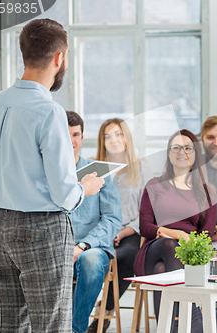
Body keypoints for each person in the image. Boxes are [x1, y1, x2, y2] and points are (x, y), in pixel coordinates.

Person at [0, 19, 104, 333]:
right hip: (44, 228)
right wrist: (85, 187)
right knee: (51, 325)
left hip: (1, 225)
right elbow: (64, 192)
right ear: (60, 58)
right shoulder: (49, 112)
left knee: (8, 324)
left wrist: (10, 187)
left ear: (24, 52)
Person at [134, 129, 217, 332]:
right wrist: (176, 234)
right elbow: (144, 227)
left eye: (188, 148)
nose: (182, 152)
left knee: (161, 271)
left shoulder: (208, 191)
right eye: (176, 148)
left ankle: (169, 328)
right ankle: (195, 323)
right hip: (154, 248)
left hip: (190, 254)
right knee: (170, 245)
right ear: (169, 153)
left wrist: (181, 238)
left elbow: (206, 236)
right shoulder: (154, 185)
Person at [86, 118, 153, 332]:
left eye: (118, 134)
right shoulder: (94, 168)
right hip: (101, 229)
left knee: (126, 257)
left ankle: (103, 313)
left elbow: (149, 208)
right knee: (90, 261)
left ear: (126, 138)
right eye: (108, 136)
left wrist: (125, 231)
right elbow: (87, 208)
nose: (114, 140)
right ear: (102, 141)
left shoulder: (142, 167)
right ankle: (81, 312)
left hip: (132, 230)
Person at [67, 111, 122, 333]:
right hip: (55, 245)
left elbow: (112, 219)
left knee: (89, 261)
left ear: (82, 137)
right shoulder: (47, 173)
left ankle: (75, 329)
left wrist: (81, 246)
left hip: (93, 247)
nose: (71, 140)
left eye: (76, 134)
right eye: (65, 134)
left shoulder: (100, 171)